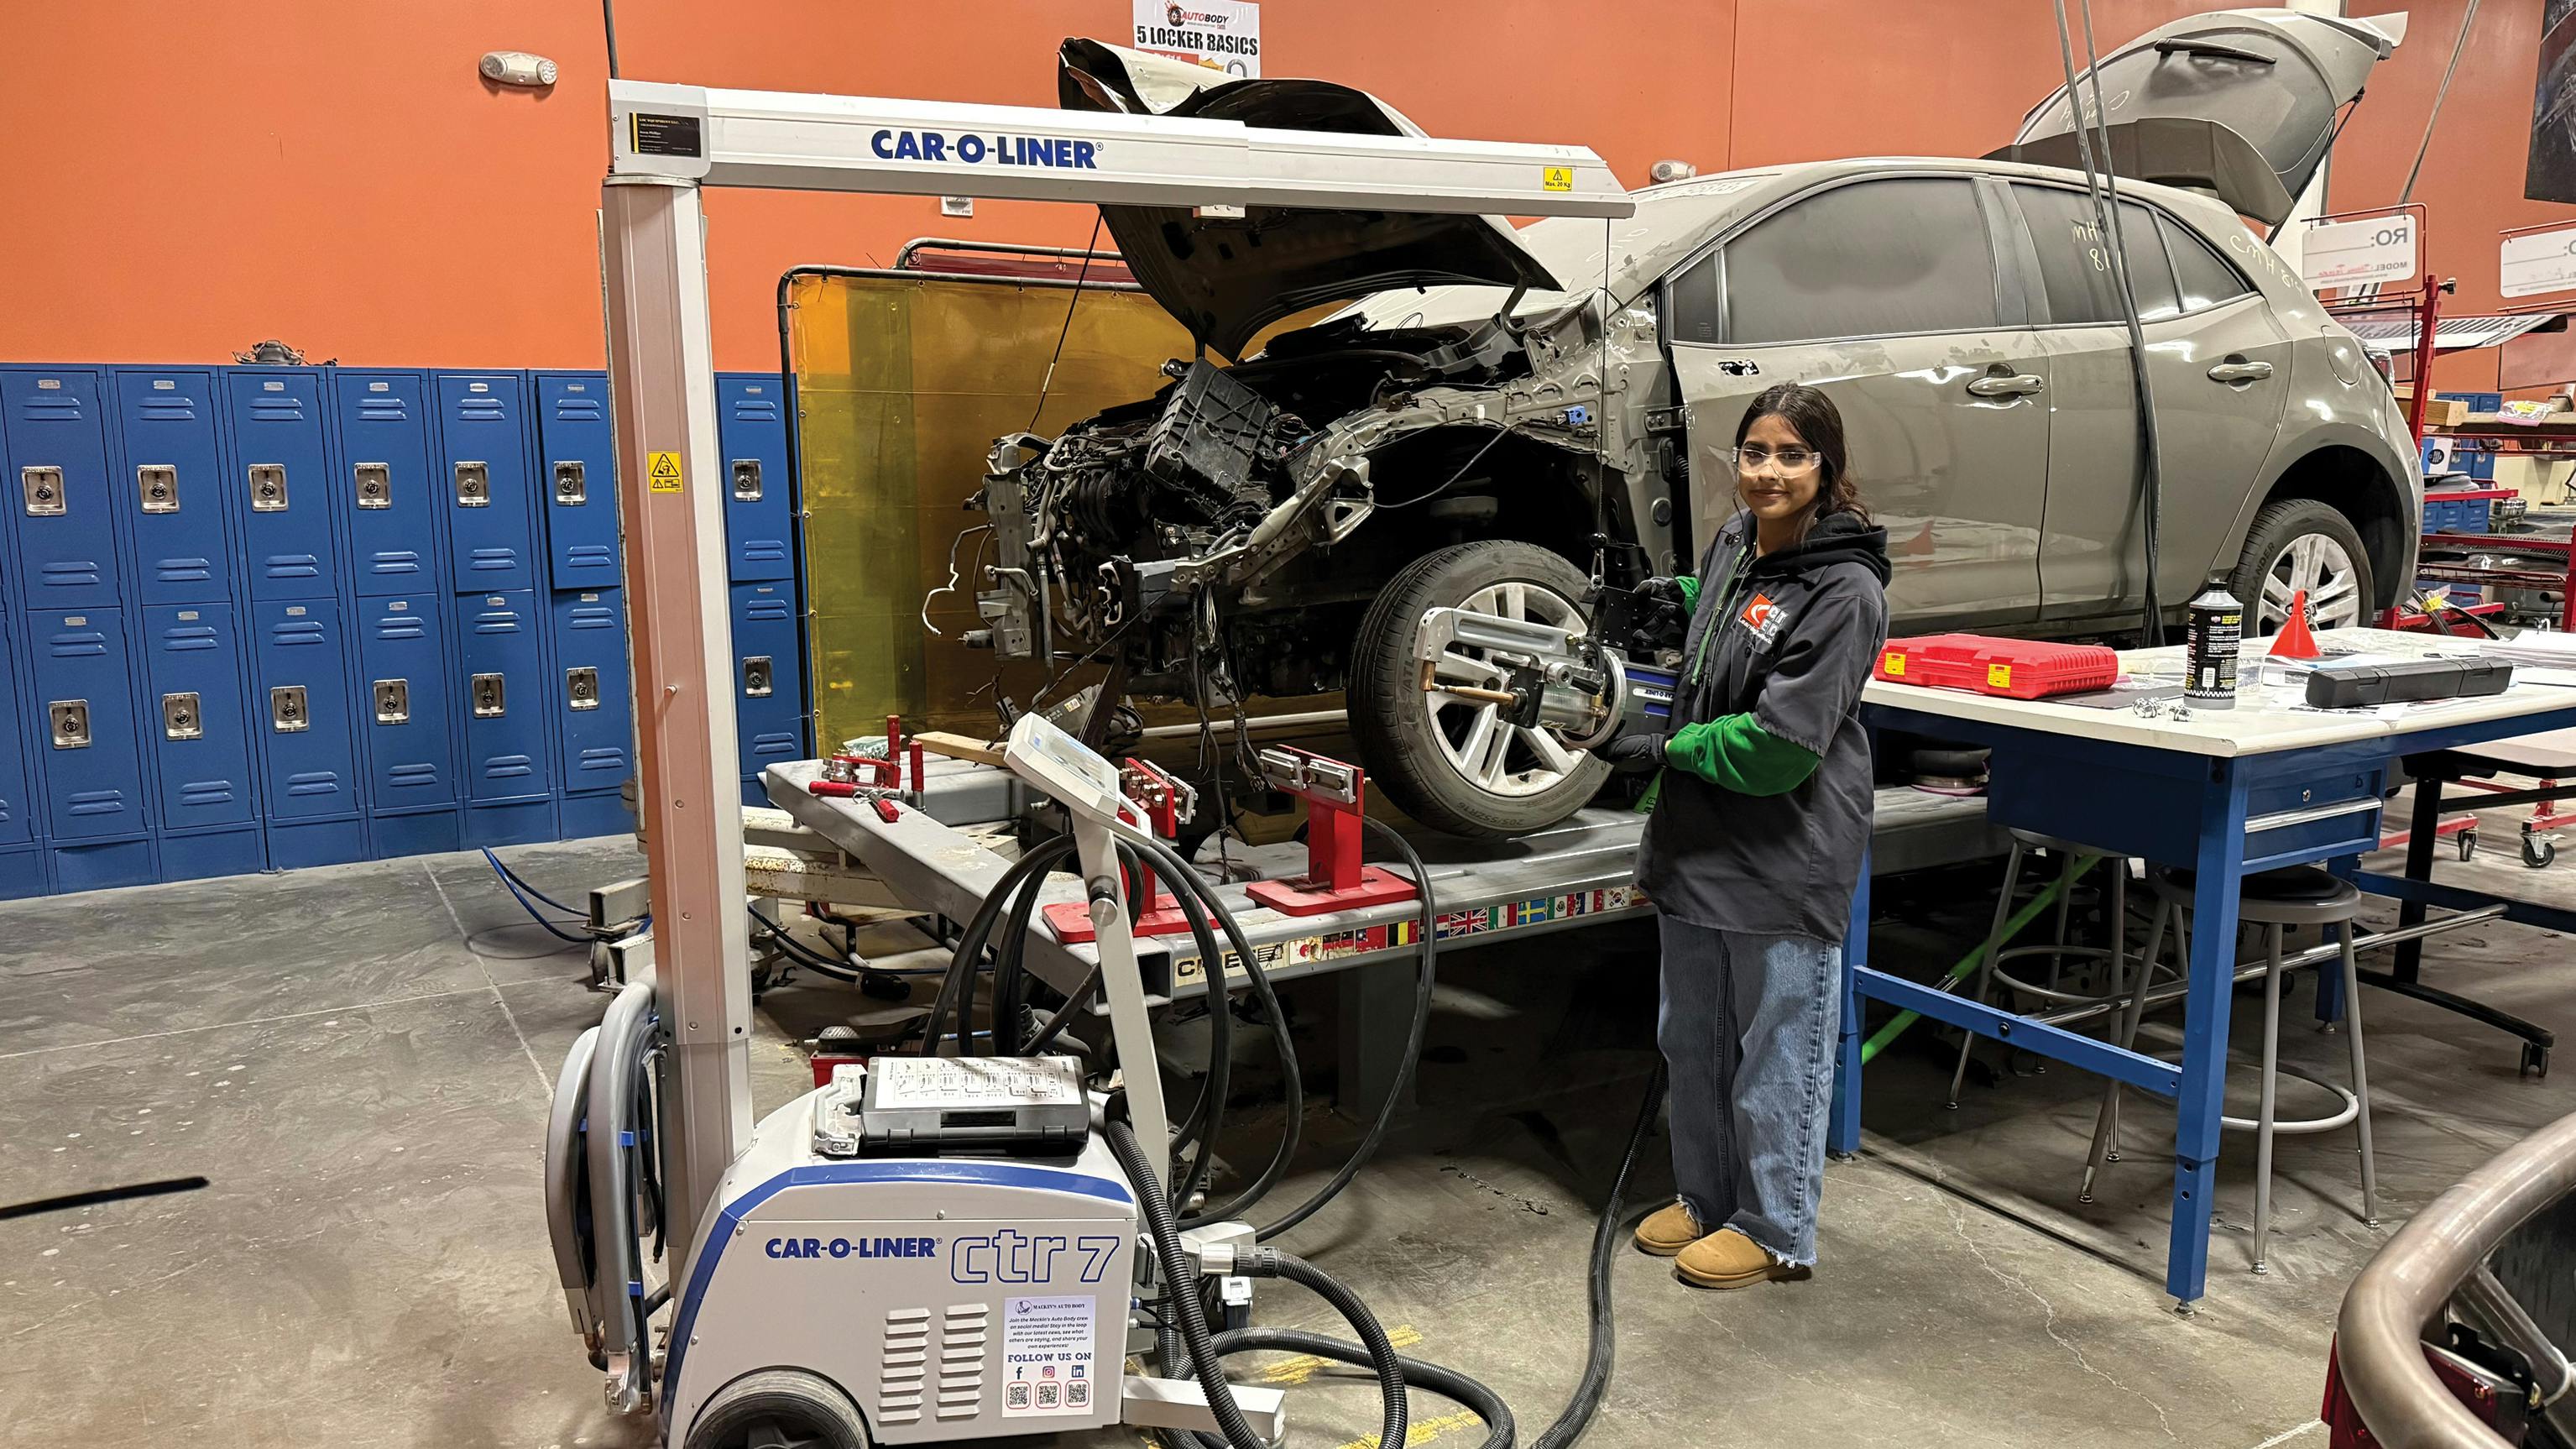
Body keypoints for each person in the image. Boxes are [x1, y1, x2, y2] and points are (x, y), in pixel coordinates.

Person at [1606, 381, 1891, 1289]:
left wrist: (1667, 743)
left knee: (1778, 1048)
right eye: (1756, 453)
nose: (1768, 472)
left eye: (1791, 455)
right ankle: (1705, 1195)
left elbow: (1778, 747)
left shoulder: (1844, 588)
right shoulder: (1737, 542)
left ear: (1826, 467)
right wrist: (1680, 598)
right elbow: (1735, 622)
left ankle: (1774, 1227)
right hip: (1699, 841)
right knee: (1692, 1034)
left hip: (1782, 845)